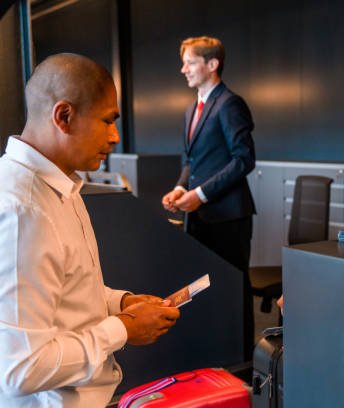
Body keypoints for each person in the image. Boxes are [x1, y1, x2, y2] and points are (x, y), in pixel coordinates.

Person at [0, 53, 180, 407]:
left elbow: (67, 291)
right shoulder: (24, 210)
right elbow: (20, 367)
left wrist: (120, 302)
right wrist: (124, 328)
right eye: (107, 120)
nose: (115, 137)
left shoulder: (62, 186)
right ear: (63, 116)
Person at [161, 36, 256, 360]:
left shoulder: (230, 103)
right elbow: (192, 162)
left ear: (212, 64)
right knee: (204, 284)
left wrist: (200, 194)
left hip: (228, 214)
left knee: (233, 286)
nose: (183, 69)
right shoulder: (192, 108)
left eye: (190, 62)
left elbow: (244, 159)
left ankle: (242, 359)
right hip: (200, 215)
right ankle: (216, 351)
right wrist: (180, 187)